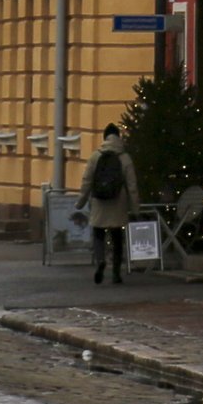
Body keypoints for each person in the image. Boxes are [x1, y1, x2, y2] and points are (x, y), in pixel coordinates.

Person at [82, 122, 134, 284]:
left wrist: (80, 201)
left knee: (99, 234)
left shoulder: (95, 156)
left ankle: (100, 261)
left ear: (104, 137)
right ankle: (117, 273)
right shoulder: (125, 158)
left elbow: (87, 181)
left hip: (99, 201)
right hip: (118, 201)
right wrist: (136, 208)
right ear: (119, 137)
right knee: (117, 237)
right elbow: (132, 186)